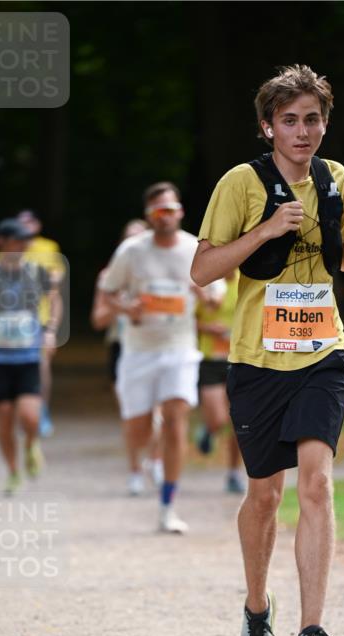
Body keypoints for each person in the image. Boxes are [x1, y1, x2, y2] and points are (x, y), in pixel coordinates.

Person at [192, 64, 344, 636]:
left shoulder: (335, 181)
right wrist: (268, 228)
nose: (302, 132)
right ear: (267, 127)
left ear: (325, 124)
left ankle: (313, 635)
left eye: (312, 120)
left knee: (316, 482)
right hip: (257, 358)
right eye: (290, 121)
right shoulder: (241, 185)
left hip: (324, 351)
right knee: (265, 495)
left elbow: (337, 259)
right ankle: (257, 609)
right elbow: (202, 271)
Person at [98, 182, 224, 533]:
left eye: (170, 210)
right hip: (138, 352)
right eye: (158, 211)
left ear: (180, 212)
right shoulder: (131, 251)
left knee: (175, 418)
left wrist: (202, 293)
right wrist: (129, 307)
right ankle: (140, 457)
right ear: (149, 216)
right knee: (138, 430)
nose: (165, 217)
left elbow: (215, 300)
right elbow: (108, 295)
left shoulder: (194, 249)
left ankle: (168, 504)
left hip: (180, 349)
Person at [0, 219, 62, 494]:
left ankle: (31, 444)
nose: (23, 246)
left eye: (26, 242)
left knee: (29, 417)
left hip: (28, 356)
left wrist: (50, 332)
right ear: (1, 242)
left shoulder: (36, 272)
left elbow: (55, 300)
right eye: (17, 241)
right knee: (3, 416)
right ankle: (13, 471)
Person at [90, 218, 164, 494]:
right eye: (128, 239)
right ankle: (134, 469)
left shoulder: (161, 273)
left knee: (159, 412)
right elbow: (98, 320)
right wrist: (122, 307)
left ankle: (155, 460)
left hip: (156, 345)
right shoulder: (109, 277)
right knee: (133, 414)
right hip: (122, 348)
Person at [195, 268, 245, 494]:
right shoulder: (204, 283)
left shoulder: (246, 281)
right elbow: (189, 321)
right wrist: (209, 328)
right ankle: (209, 429)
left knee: (238, 423)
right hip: (210, 359)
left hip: (239, 359)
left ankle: (233, 473)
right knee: (219, 418)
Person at [16, 209, 65, 437]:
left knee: (41, 367)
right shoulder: (9, 247)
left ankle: (41, 411)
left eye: (30, 221)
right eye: (22, 222)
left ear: (38, 224)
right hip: (14, 321)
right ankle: (25, 413)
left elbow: (55, 281)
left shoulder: (49, 247)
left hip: (40, 318)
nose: (26, 225)